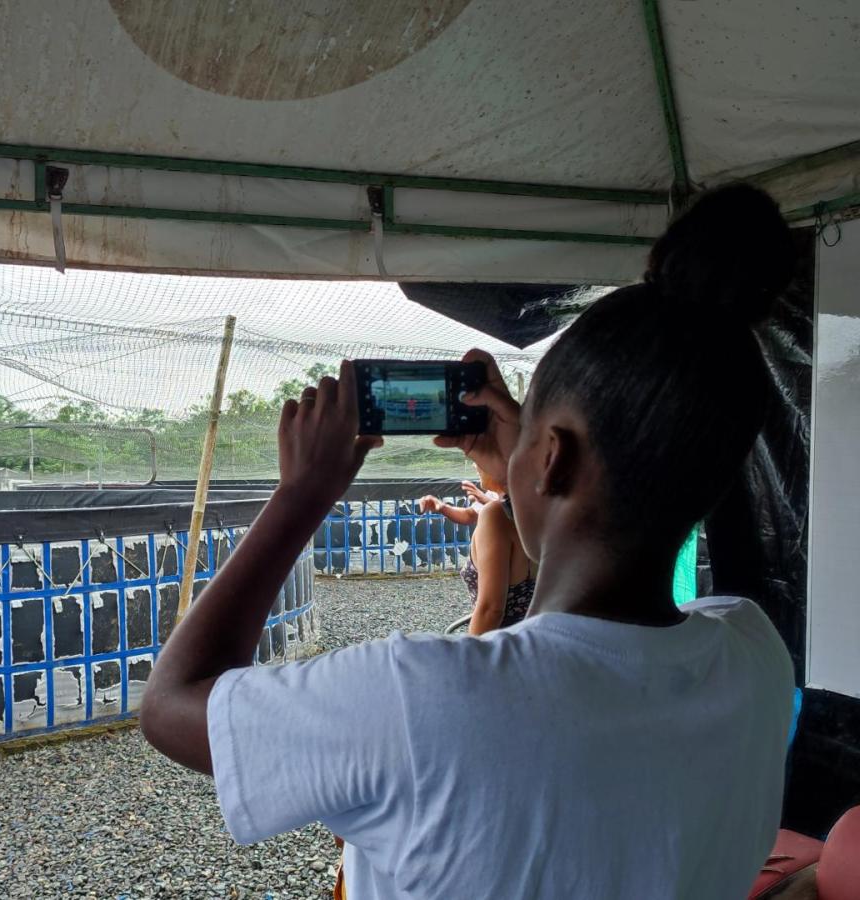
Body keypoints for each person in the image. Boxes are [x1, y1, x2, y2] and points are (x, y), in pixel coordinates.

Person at [139, 184, 796, 898]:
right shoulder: (755, 658)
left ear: (552, 458)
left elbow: (172, 702)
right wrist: (534, 471)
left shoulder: (426, 702)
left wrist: (302, 494)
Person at [419, 468, 535, 633]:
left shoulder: (495, 513)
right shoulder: (541, 507)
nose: (475, 465)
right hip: (533, 635)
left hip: (501, 641)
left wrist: (470, 653)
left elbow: (491, 610)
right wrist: (442, 507)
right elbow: (470, 514)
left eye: (480, 456)